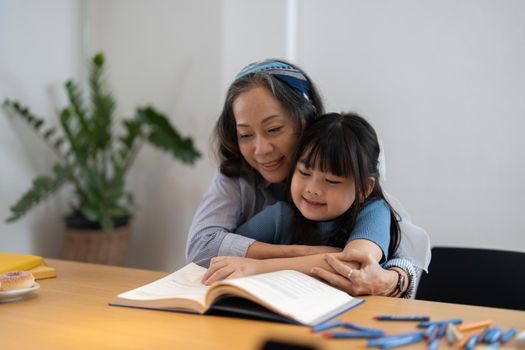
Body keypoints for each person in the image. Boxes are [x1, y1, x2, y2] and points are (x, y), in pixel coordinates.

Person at [186, 59, 430, 297]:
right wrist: (305, 252)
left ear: (306, 121)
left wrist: (258, 265)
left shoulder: (354, 173)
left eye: (273, 129)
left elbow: (381, 261)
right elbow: (204, 248)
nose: (260, 150)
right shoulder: (274, 208)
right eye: (245, 134)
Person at [202, 113, 402, 294]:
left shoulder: (373, 211)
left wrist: (258, 267)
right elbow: (229, 253)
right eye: (304, 173)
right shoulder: (281, 215)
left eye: (331, 181)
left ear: (364, 188)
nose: (312, 189)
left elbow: (356, 265)